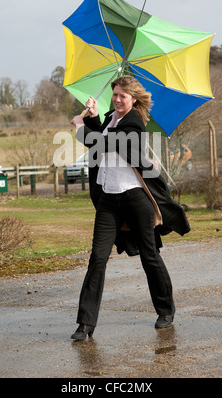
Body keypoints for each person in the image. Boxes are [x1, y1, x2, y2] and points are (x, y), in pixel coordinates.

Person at [70, 75, 190, 340]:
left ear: (133, 99)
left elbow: (106, 143)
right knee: (97, 259)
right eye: (114, 95)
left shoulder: (134, 122)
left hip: (136, 199)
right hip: (109, 201)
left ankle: (166, 310)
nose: (117, 99)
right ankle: (85, 324)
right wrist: (92, 117)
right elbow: (102, 139)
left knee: (149, 255)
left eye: (122, 96)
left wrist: (80, 128)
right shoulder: (112, 117)